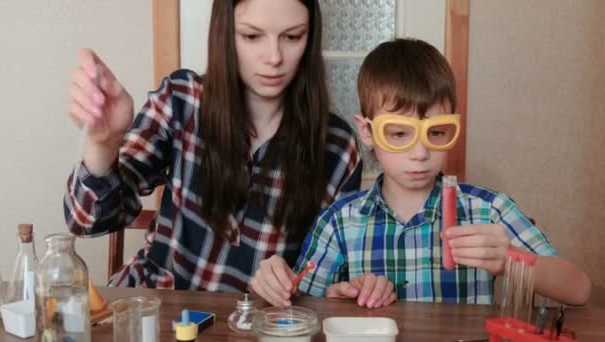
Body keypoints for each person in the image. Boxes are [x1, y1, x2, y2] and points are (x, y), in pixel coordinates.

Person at [249, 38, 591, 308]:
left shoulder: (488, 210)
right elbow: (303, 306)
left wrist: (509, 260)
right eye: (399, 134)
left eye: (437, 133)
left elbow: (578, 289)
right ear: (366, 132)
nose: (420, 153)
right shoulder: (340, 222)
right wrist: (339, 296)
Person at [64, 0, 362, 291]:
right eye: (252, 36)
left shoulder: (337, 148)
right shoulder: (182, 100)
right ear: (225, 33)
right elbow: (87, 221)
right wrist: (102, 143)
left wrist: (293, 284)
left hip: (257, 324)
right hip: (159, 306)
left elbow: (328, 280)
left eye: (293, 36)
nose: (274, 57)